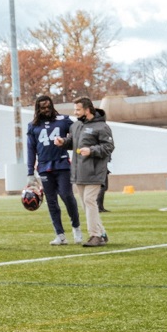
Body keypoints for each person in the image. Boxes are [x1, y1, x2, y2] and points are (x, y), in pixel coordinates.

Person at [55, 97, 114, 247]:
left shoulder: (102, 127)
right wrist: (63, 142)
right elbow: (72, 143)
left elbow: (108, 147)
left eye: (78, 110)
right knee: (85, 205)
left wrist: (92, 150)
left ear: (87, 110)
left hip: (95, 171)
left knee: (89, 201)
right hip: (78, 172)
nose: (75, 112)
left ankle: (95, 236)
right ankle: (101, 233)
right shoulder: (76, 126)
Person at [25, 95, 83, 245]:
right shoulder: (33, 126)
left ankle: (76, 228)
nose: (46, 110)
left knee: (66, 195)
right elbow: (31, 149)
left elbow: (78, 130)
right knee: (51, 201)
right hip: (44, 167)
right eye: (43, 108)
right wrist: (30, 172)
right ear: (37, 109)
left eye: (48, 107)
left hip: (62, 164)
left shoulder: (63, 120)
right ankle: (60, 235)